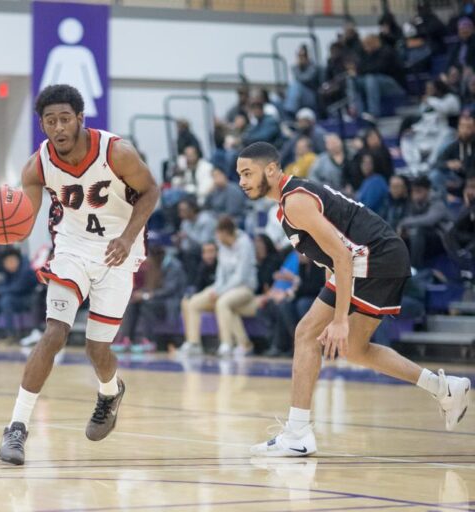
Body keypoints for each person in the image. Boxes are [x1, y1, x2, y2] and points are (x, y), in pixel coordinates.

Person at [236, 142, 470, 457]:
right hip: (369, 259)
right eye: (239, 175)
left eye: (247, 173)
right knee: (354, 349)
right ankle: (445, 388)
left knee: (306, 333)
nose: (242, 181)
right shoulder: (287, 205)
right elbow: (331, 260)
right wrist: (330, 305)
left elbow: (343, 256)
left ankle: (298, 432)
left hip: (374, 259)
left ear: (271, 169)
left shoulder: (296, 202)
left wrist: (339, 319)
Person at [0, 84, 159, 465]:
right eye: (50, 121)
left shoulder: (116, 151)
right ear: (42, 125)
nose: (58, 127)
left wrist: (127, 236)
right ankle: (16, 428)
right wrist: (1, 222)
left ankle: (109, 392)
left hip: (119, 252)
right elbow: (23, 221)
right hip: (71, 249)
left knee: (96, 349)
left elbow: (151, 191)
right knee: (55, 332)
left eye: (65, 118)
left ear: (80, 119)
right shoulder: (37, 166)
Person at [181, 216, 257, 357]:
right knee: (193, 303)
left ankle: (226, 344)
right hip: (224, 288)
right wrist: (216, 289)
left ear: (225, 233)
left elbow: (241, 276)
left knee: (222, 303)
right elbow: (220, 273)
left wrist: (221, 292)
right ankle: (194, 343)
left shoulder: (245, 244)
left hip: (244, 288)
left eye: (218, 234)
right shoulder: (222, 245)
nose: (217, 237)